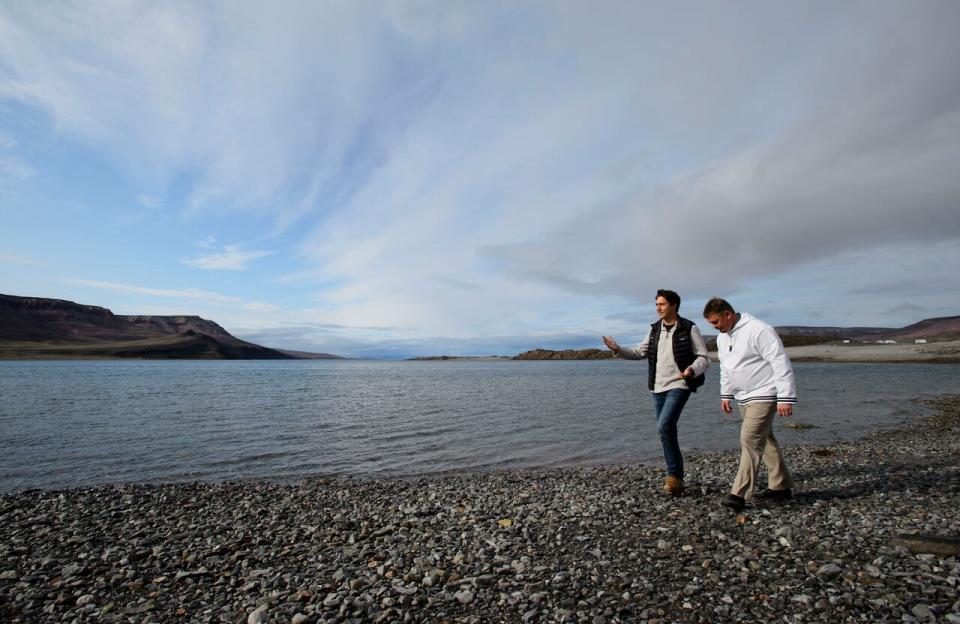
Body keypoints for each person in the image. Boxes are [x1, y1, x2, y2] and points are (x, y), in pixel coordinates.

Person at [602, 289, 710, 496]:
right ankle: (676, 479)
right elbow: (639, 352)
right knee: (666, 431)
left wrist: (691, 370)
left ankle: (673, 476)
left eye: (661, 304)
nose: (658, 308)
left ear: (674, 305)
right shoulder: (654, 330)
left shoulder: (689, 328)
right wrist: (617, 349)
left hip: (680, 384)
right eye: (656, 305)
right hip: (657, 387)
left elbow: (704, 358)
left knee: (664, 425)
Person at [702, 297, 797, 513]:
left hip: (765, 393)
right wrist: (725, 394)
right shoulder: (722, 338)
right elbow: (725, 368)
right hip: (743, 396)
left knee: (749, 439)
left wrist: (785, 396)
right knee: (765, 439)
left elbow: (780, 361)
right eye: (712, 324)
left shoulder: (759, 330)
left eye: (716, 322)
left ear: (728, 314)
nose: (715, 327)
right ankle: (781, 486)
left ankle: (739, 494)